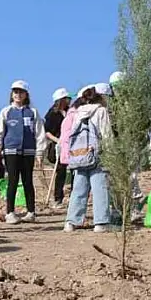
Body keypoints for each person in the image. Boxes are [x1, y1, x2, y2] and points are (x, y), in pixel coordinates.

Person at [64, 84, 118, 233]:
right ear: (103, 97)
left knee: (78, 188)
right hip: (97, 155)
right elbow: (106, 135)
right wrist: (112, 154)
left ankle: (71, 222)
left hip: (79, 155)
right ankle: (101, 222)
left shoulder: (78, 112)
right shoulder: (101, 111)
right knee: (100, 188)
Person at [0, 80, 46, 224]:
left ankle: (31, 212)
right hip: (11, 151)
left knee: (28, 181)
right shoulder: (6, 111)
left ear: (26, 94)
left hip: (28, 151)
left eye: (21, 92)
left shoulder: (32, 112)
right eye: (15, 92)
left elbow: (39, 133)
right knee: (13, 181)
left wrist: (40, 153)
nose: (18, 94)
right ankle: (10, 212)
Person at [44, 88, 72, 209]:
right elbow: (47, 132)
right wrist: (58, 141)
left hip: (71, 144)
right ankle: (58, 198)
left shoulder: (70, 111)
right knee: (60, 171)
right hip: (58, 145)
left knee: (74, 170)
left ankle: (73, 197)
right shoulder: (52, 114)